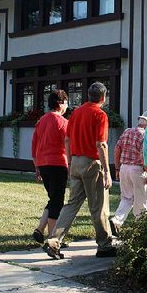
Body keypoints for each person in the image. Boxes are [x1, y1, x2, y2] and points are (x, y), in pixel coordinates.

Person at [44, 82, 115, 260]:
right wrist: (107, 171)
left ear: (88, 95)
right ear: (104, 97)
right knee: (98, 207)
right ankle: (104, 246)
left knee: (71, 204)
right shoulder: (100, 114)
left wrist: (70, 162)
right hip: (92, 163)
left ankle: (53, 241)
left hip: (75, 161)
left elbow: (67, 140)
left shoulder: (76, 113)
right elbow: (101, 144)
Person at [30, 89, 69, 244]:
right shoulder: (62, 122)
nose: (67, 106)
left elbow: (34, 145)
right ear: (60, 103)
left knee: (53, 198)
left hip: (43, 164)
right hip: (58, 163)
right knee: (57, 201)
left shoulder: (41, 121)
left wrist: (36, 166)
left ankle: (40, 229)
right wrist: (72, 161)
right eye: (66, 102)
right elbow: (68, 144)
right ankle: (53, 238)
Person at [110, 111, 147, 236]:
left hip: (124, 168)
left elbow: (117, 149)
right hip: (138, 169)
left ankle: (117, 220)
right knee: (144, 200)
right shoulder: (146, 135)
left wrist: (117, 168)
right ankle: (141, 230)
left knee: (126, 198)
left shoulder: (127, 131)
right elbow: (145, 157)